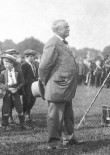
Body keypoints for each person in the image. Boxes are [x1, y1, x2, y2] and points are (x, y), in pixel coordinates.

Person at [38, 19, 79, 149]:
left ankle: (69, 138)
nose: (69, 29)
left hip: (65, 86)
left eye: (68, 26)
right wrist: (44, 82)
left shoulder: (62, 43)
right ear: (56, 30)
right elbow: (44, 66)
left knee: (68, 114)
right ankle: (54, 143)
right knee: (55, 116)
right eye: (66, 27)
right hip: (57, 86)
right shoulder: (53, 43)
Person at [0, 54, 31, 130]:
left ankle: (23, 124)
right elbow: (1, 83)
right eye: (4, 64)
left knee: (19, 107)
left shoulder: (18, 72)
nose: (5, 65)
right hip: (7, 93)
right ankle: (6, 124)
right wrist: (7, 88)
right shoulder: (3, 73)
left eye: (7, 64)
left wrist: (17, 89)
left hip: (15, 93)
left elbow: (22, 82)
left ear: (12, 63)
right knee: (6, 108)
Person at [21, 49, 39, 122]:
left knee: (32, 101)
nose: (32, 58)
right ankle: (24, 116)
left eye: (33, 56)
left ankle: (28, 115)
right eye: (30, 57)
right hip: (27, 86)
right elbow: (22, 77)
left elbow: (36, 74)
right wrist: (24, 87)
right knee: (26, 101)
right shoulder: (24, 65)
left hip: (34, 86)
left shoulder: (33, 65)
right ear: (26, 56)